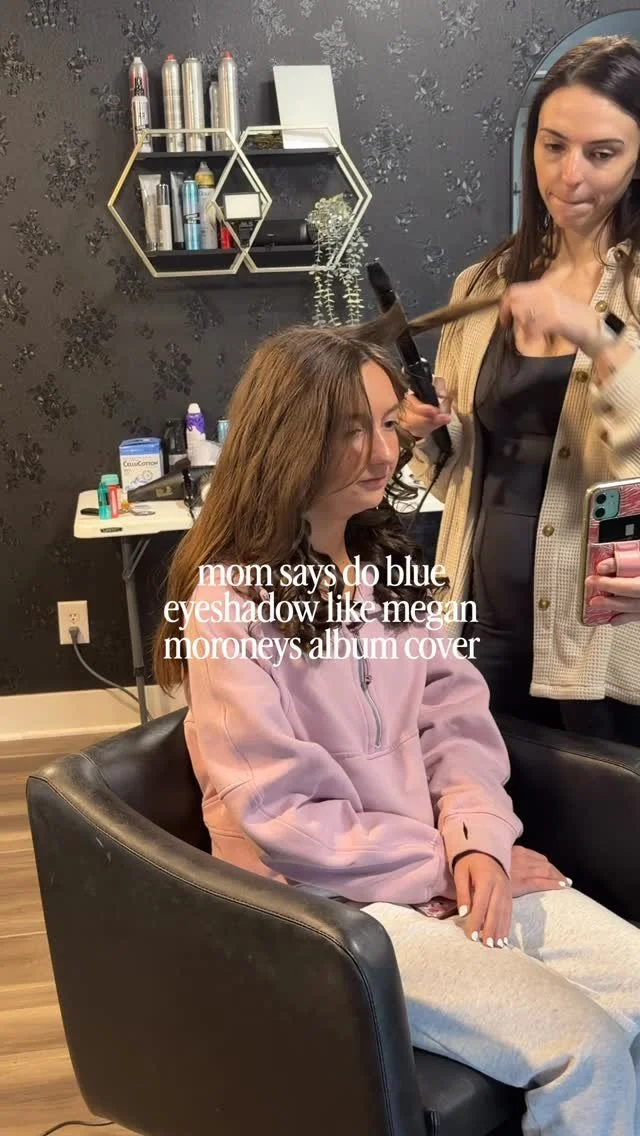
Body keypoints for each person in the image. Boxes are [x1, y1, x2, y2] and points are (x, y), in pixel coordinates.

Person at [154, 325, 640, 1136]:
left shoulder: (387, 566)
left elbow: (452, 719)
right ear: (289, 440)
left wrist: (479, 841)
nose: (384, 451)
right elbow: (283, 818)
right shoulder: (228, 605)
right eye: (353, 430)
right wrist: (441, 863)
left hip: (439, 868)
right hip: (331, 911)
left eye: (387, 423)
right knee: (583, 1048)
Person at [399, 35, 640, 742]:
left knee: (597, 807)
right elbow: (455, 471)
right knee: (481, 796)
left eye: (602, 153)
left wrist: (598, 336)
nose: (569, 175)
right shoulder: (482, 286)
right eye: (553, 145)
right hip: (480, 623)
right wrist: (428, 430)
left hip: (598, 637)